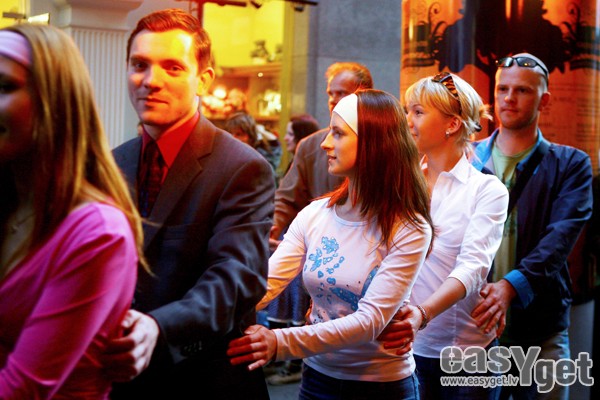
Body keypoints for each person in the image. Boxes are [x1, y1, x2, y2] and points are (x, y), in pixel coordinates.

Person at [102, 9, 275, 399]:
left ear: (204, 79)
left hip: (204, 382)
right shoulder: (112, 163)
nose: (151, 81)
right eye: (139, 65)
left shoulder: (242, 167)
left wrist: (158, 327)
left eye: (173, 67)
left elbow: (236, 278)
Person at [228, 89, 434, 400]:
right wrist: (207, 312)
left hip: (381, 386)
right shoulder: (315, 214)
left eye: (338, 133)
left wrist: (279, 342)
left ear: (374, 143)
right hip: (317, 379)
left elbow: (369, 322)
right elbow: (266, 283)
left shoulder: (409, 228)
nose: (325, 143)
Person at [0, 24, 142, 399]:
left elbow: (21, 389)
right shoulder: (12, 202)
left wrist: (153, 325)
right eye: (138, 64)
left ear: (54, 101)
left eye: (5, 86)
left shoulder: (97, 231)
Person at [470, 53, 593, 399]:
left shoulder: (571, 164)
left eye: (522, 90)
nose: (509, 98)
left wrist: (510, 286)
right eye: (502, 89)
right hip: (473, 328)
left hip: (541, 328)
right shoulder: (467, 159)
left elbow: (560, 239)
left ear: (544, 100)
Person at [379, 72, 509, 399]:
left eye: (418, 112)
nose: (407, 121)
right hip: (399, 348)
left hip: (464, 356)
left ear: (452, 124)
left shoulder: (486, 190)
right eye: (407, 111)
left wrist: (421, 314)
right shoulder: (399, 184)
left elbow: (473, 267)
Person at [270, 62, 373, 250]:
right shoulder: (310, 145)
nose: (333, 100)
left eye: (341, 93)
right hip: (320, 247)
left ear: (364, 94)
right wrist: (273, 227)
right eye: (330, 94)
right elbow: (287, 198)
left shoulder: (382, 143)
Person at [263, 112, 319, 385]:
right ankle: (280, 357)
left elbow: (372, 319)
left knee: (299, 302)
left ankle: (294, 361)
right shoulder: (304, 153)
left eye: (290, 133)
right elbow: (285, 198)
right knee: (282, 297)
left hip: (307, 243)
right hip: (292, 239)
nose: (286, 138)